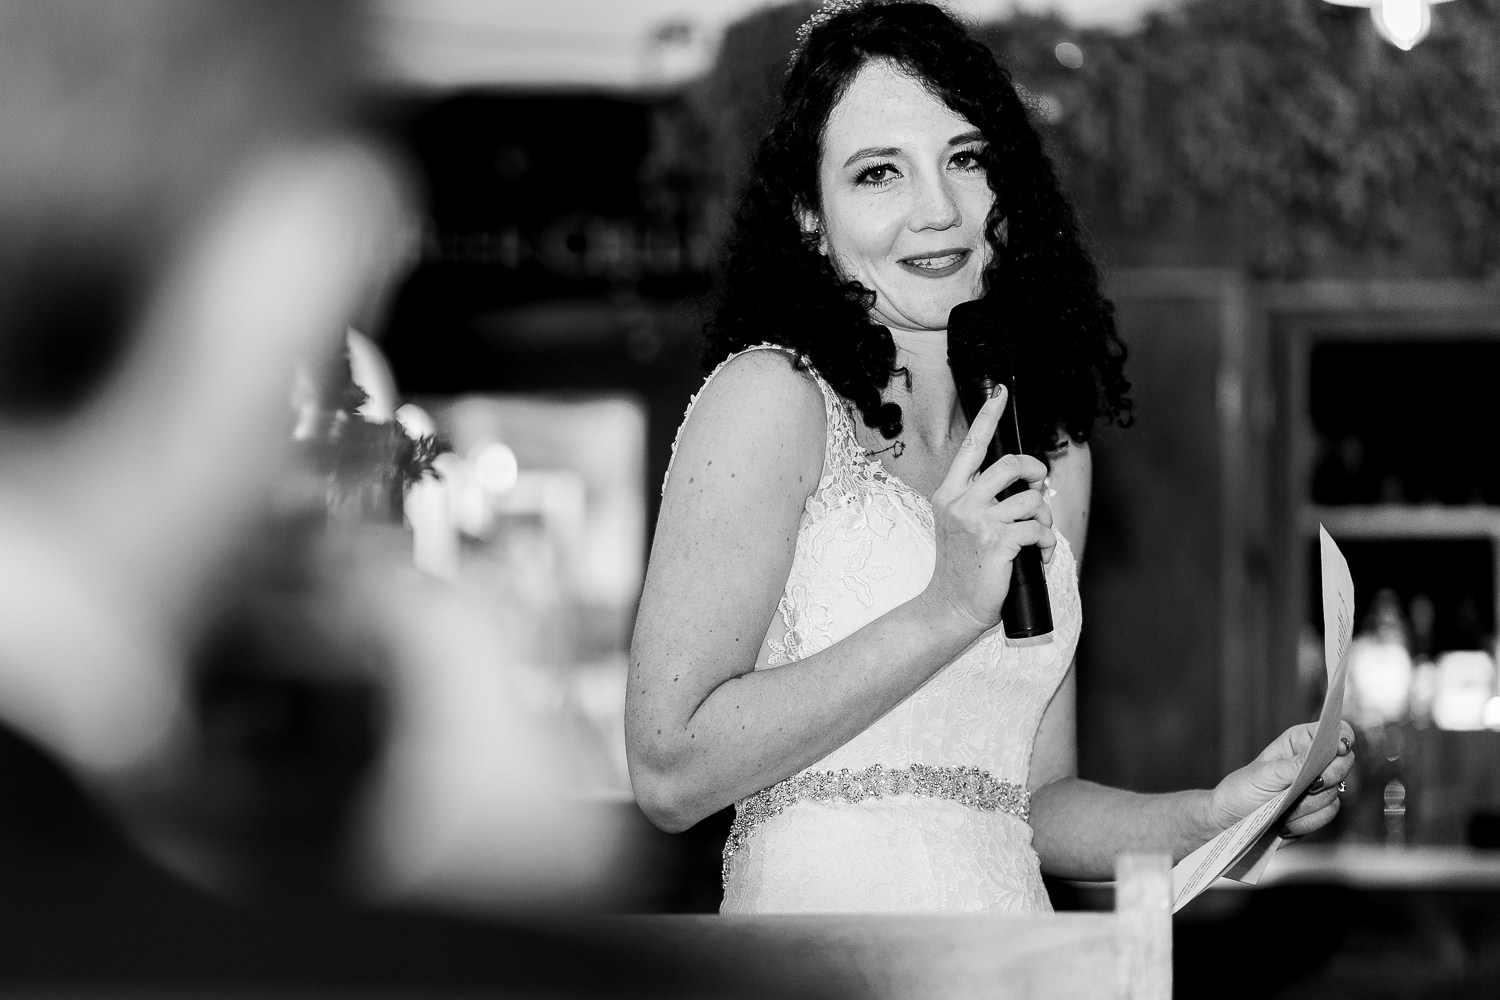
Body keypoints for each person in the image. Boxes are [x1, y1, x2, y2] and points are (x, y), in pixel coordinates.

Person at [626, 0, 1356, 913]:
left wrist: (1218, 811)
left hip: (1011, 954)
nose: (939, 211)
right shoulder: (772, 401)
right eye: (879, 173)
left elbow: (1030, 799)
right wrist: (944, 606)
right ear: (811, 217)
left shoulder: (1051, 449)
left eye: (965, 160)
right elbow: (668, 768)